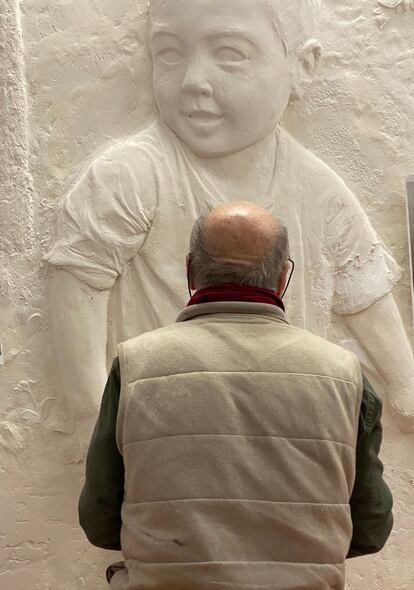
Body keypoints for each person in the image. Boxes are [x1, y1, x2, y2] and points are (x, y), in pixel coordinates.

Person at [46, 0, 414, 447]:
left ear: (302, 65)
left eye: (229, 53)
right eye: (170, 53)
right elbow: (78, 286)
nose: (193, 82)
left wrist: (404, 384)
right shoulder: (130, 175)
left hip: (287, 430)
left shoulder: (317, 188)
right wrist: (93, 419)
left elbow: (365, 292)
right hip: (170, 427)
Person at [79, 202, 393, 590]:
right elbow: (371, 527)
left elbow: (99, 519)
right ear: (282, 278)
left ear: (191, 271)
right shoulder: (345, 374)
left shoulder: (134, 366)